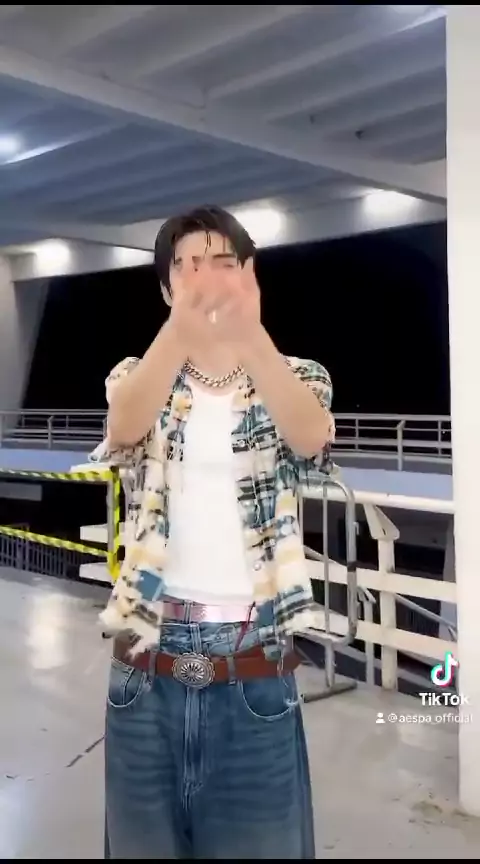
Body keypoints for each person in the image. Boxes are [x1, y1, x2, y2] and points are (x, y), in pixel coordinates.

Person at [92, 205, 335, 860]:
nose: (205, 278)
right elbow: (123, 428)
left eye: (223, 262)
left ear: (250, 275)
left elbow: (310, 436)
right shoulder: (136, 375)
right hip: (146, 661)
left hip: (254, 659)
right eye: (187, 266)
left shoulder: (298, 375)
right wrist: (179, 331)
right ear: (166, 287)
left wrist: (252, 337)